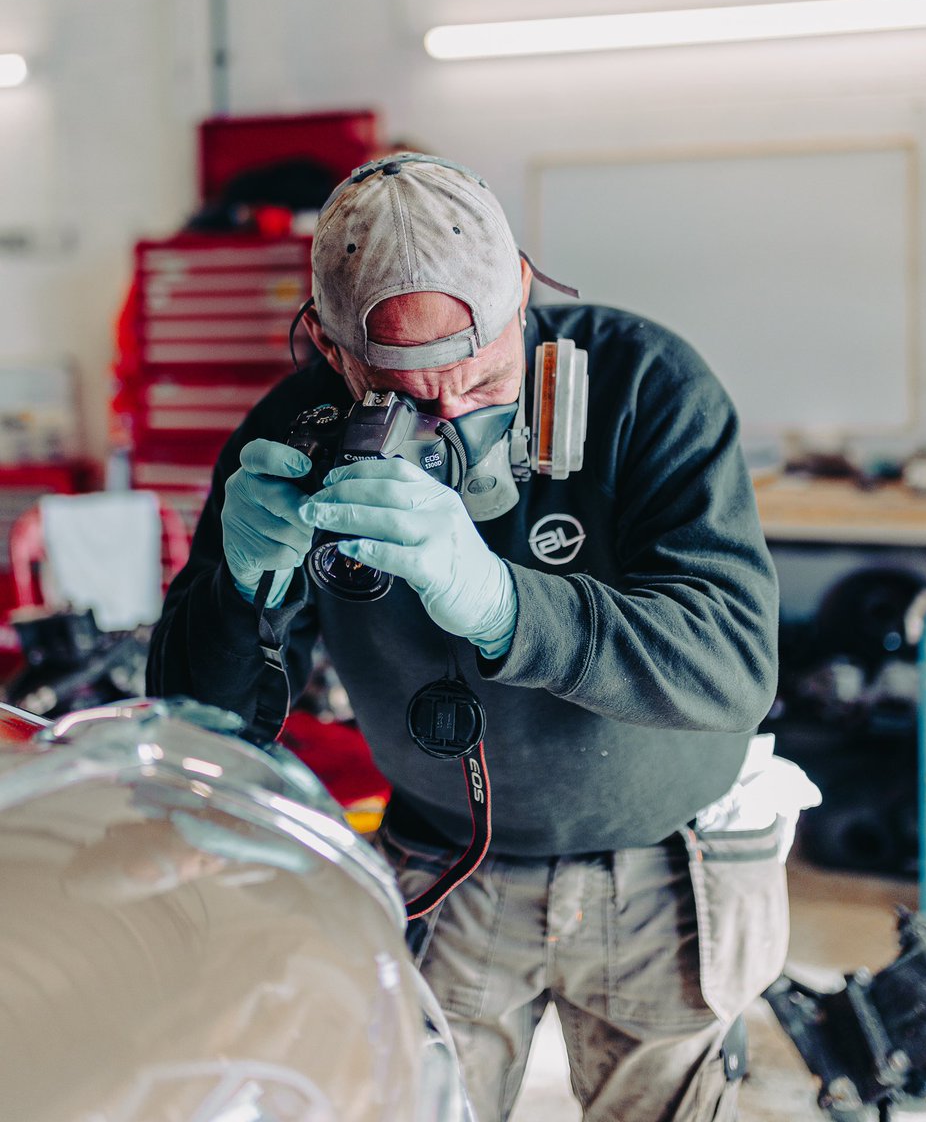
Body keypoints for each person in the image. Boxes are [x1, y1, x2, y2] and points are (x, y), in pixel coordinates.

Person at [147, 152, 783, 1121]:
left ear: (523, 289)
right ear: (326, 343)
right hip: (447, 870)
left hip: (660, 872)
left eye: (482, 383)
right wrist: (238, 595)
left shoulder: (645, 385)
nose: (451, 425)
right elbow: (199, 725)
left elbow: (734, 664)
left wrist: (505, 607)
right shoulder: (293, 434)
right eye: (407, 397)